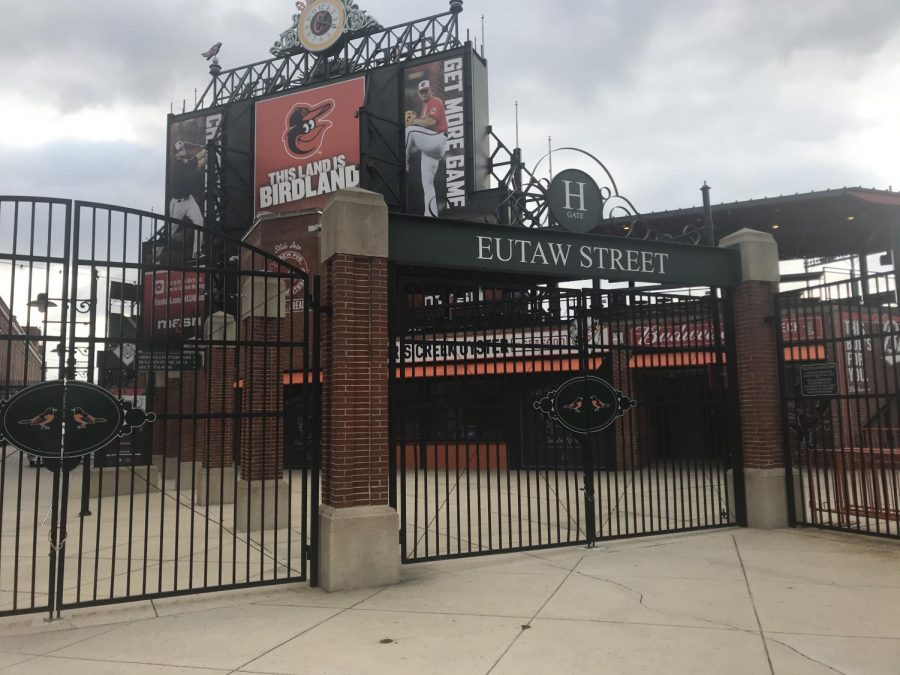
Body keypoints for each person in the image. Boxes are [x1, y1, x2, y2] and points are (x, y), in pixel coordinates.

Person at [404, 80, 448, 217]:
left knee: (410, 130)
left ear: (431, 90)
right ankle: (431, 214)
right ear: (419, 94)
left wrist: (414, 121)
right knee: (427, 182)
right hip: (431, 148)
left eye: (426, 90)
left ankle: (403, 162)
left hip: (436, 139)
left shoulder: (434, 101)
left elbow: (432, 122)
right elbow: (422, 132)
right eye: (422, 91)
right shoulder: (424, 109)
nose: (424, 93)